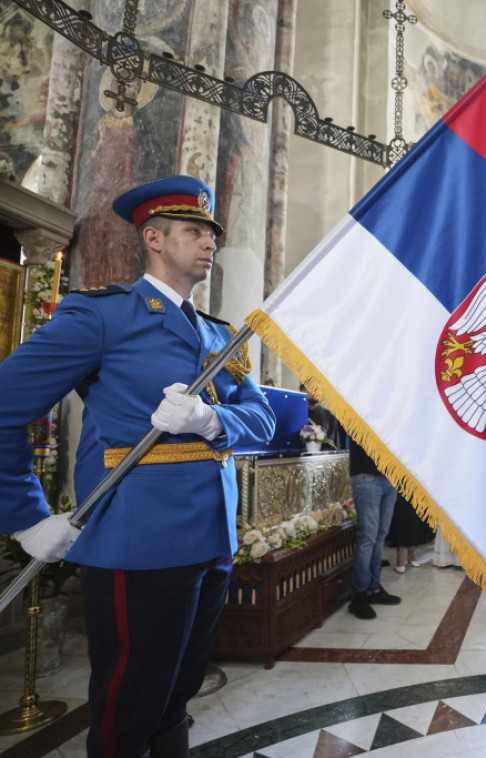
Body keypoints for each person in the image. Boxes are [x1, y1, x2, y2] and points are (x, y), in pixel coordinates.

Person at [0, 175, 276, 758]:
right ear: (153, 237)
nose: (210, 242)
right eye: (194, 231)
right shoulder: (103, 316)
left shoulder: (219, 335)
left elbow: (263, 419)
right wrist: (27, 517)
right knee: (131, 706)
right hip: (138, 541)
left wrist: (211, 419)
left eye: (211, 233)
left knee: (177, 697)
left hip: (212, 538)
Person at [347, 436, 403, 618]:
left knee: (380, 536)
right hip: (367, 473)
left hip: (390, 475)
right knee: (368, 538)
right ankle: (360, 595)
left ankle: (374, 587)